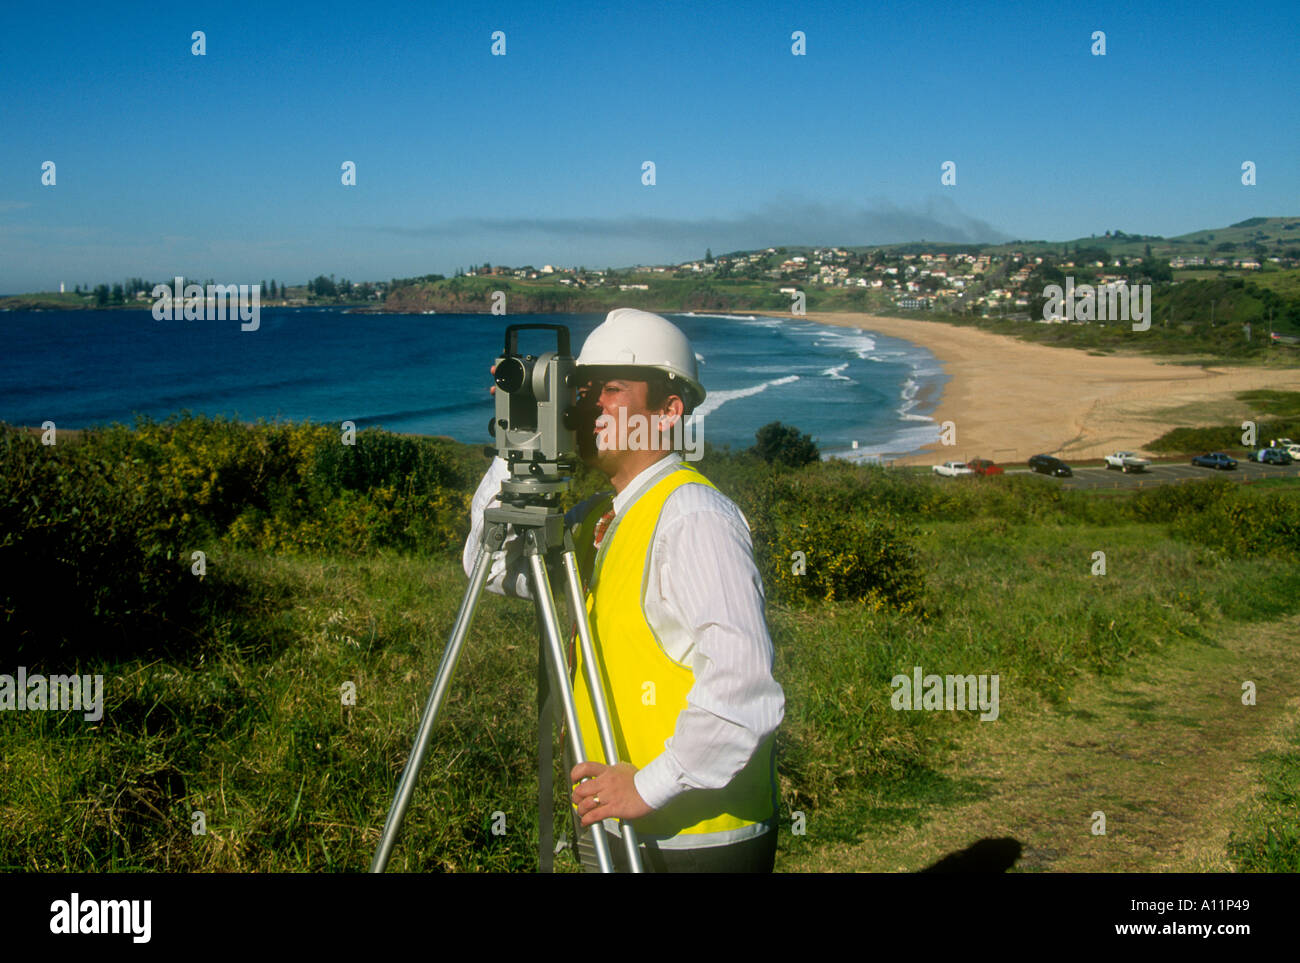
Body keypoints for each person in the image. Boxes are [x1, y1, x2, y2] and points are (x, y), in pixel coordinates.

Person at [463, 308, 784, 872]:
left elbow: (744, 686)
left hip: (696, 838)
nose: (588, 404)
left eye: (610, 388)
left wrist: (650, 786)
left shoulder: (692, 516)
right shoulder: (601, 520)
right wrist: (520, 434)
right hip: (618, 822)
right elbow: (490, 566)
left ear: (668, 410)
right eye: (582, 389)